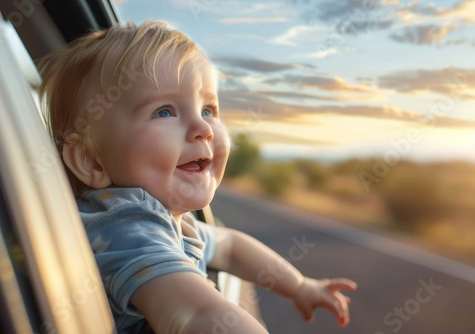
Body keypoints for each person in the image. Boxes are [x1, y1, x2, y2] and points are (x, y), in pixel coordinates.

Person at [39, 20, 357, 333]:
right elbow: (195, 317)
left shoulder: (173, 220)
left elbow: (229, 244)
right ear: (91, 161)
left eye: (208, 110)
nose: (203, 130)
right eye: (164, 111)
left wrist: (299, 286)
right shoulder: (125, 225)